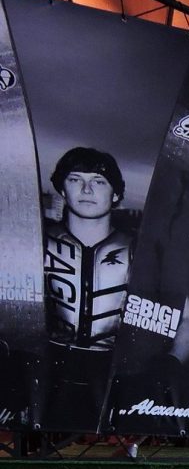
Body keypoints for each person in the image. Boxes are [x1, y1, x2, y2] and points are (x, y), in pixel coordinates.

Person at [42, 147, 134, 427]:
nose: (86, 189)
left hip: (113, 372)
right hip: (45, 366)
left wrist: (170, 363)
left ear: (115, 194)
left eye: (98, 181)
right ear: (62, 190)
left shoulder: (139, 250)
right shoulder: (35, 242)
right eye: (75, 179)